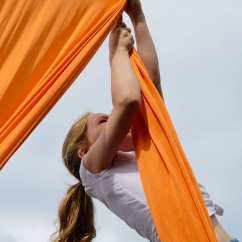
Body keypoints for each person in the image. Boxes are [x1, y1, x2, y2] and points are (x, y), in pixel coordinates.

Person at [51, 1, 238, 242]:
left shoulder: (145, 154)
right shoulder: (93, 172)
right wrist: (116, 52)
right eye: (103, 121)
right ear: (83, 151)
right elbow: (128, 101)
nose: (114, 120)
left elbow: (151, 86)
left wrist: (138, 17)